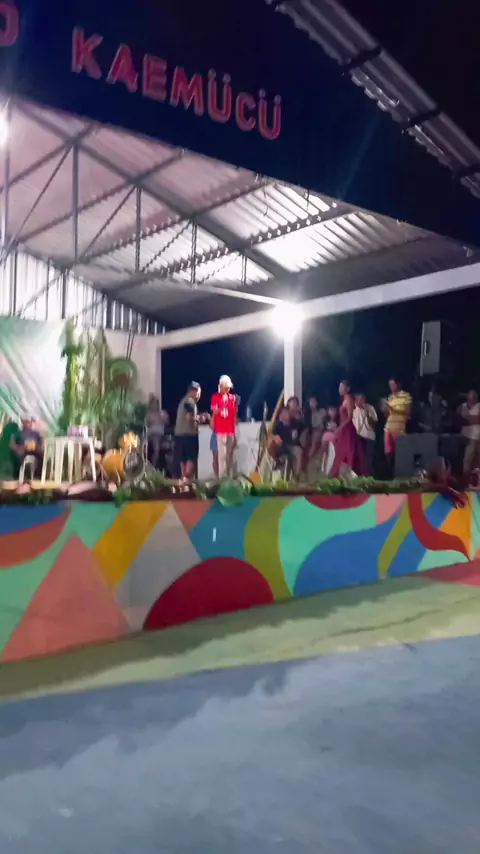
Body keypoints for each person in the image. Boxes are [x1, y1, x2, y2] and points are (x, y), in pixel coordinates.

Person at [330, 381, 365, 477]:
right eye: (339, 387)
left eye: (342, 387)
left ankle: (350, 474)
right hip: (343, 430)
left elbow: (349, 417)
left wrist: (339, 428)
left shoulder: (349, 399)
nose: (340, 389)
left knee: (348, 452)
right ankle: (339, 474)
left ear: (347, 388)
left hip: (348, 430)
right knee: (340, 453)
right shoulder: (343, 399)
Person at [382, 378, 412, 474]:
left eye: (392, 385)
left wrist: (391, 408)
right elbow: (388, 414)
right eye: (390, 385)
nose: (391, 387)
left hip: (399, 428)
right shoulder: (390, 397)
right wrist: (385, 410)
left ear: (398, 384)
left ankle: (401, 473)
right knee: (388, 452)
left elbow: (407, 412)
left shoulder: (406, 396)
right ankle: (391, 473)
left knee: (400, 452)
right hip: (388, 427)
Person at [174, 382, 202, 480]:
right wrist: (200, 419)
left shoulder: (183, 401)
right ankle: (187, 479)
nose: (199, 395)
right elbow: (189, 417)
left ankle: (183, 480)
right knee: (191, 458)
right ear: (194, 391)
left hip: (179, 435)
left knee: (183, 459)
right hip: (188, 435)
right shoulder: (190, 402)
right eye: (199, 392)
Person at [211, 375, 237, 478]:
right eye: (225, 387)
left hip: (230, 429)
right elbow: (215, 411)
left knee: (229, 456)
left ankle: (229, 476)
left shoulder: (232, 398)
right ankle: (222, 478)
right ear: (221, 386)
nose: (227, 389)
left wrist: (234, 432)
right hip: (220, 429)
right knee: (222, 455)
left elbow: (234, 415)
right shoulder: (215, 397)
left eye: (228, 387)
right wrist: (223, 407)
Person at [269, 406, 303, 478]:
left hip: (293, 445)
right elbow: (271, 435)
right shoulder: (277, 425)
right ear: (281, 415)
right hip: (282, 446)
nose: (287, 414)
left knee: (298, 451)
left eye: (287, 412)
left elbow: (304, 428)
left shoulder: (295, 423)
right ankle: (277, 460)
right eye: (284, 413)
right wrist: (275, 438)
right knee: (271, 444)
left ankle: (296, 476)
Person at [353, 393, 378, 476]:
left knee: (369, 459)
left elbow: (373, 424)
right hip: (358, 436)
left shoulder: (370, 408)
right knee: (360, 459)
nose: (360, 401)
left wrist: (367, 413)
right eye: (358, 399)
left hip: (369, 436)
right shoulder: (353, 410)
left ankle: (369, 476)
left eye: (361, 399)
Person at [459, 389, 480, 479]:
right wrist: (472, 419)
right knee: (466, 461)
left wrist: (467, 419)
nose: (472, 398)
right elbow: (458, 420)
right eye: (471, 396)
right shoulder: (462, 406)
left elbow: (478, 420)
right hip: (465, 437)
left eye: (474, 396)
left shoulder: (479, 406)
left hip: (477, 437)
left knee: (477, 461)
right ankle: (466, 480)